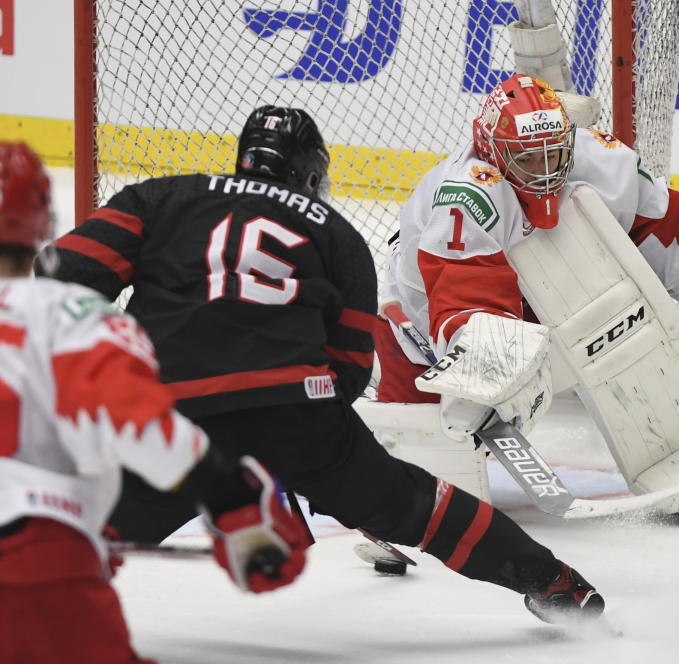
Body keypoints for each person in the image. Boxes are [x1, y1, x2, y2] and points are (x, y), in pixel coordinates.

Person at [39, 106, 607, 626]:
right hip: (297, 412)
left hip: (172, 409)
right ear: (311, 175)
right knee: (414, 506)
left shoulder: (158, 199)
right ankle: (556, 584)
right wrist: (312, 464)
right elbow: (350, 370)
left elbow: (61, 276)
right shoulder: (336, 234)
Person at [372, 73, 679, 516]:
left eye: (555, 152)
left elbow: (673, 232)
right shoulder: (466, 196)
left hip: (544, 296)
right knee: (427, 501)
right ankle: (397, 504)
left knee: (635, 330)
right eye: (528, 158)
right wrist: (480, 371)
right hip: (420, 323)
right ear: (493, 152)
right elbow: (461, 293)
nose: (547, 169)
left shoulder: (598, 157)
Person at [0, 141, 310, 664]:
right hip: (33, 578)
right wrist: (234, 501)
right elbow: (136, 421)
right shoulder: (69, 315)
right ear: (42, 221)